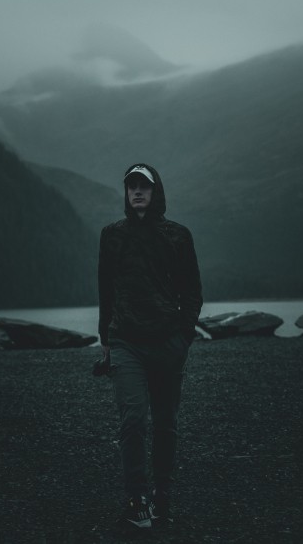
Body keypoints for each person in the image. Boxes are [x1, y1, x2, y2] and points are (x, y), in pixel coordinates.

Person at [98, 163, 202, 529]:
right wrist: (106, 340)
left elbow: (192, 291)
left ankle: (162, 492)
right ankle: (135, 495)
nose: (138, 191)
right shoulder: (111, 235)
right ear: (126, 193)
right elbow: (105, 291)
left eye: (144, 186)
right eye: (132, 186)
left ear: (156, 191)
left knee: (165, 423)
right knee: (133, 418)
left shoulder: (178, 236)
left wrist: (184, 336)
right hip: (126, 340)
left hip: (168, 342)